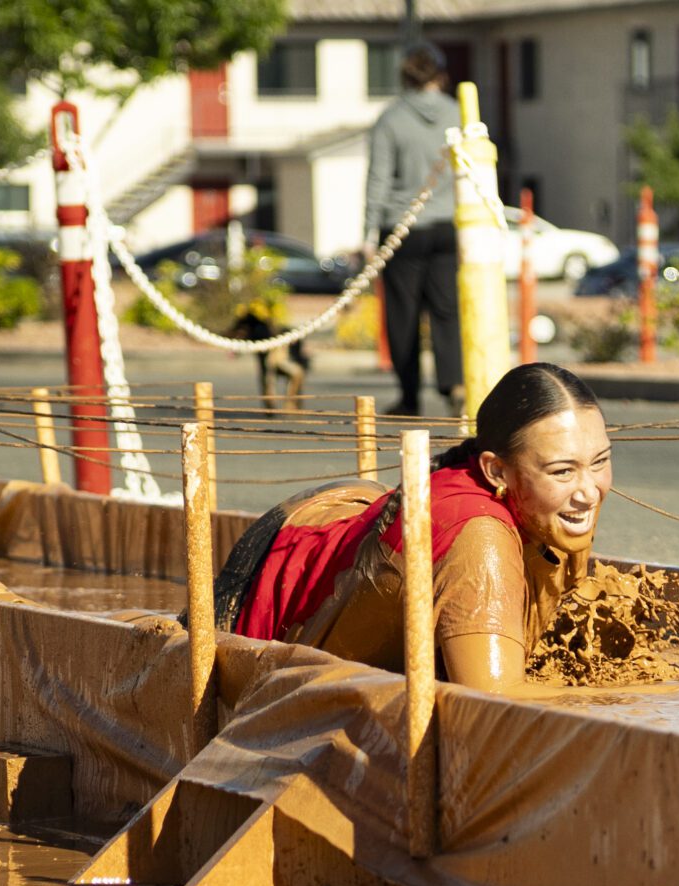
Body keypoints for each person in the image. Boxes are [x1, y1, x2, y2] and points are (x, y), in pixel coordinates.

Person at [216, 363, 611, 694]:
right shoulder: (480, 540)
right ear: (495, 470)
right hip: (261, 630)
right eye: (563, 471)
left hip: (328, 527)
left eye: (599, 462)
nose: (590, 492)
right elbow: (498, 711)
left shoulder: (554, 507)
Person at [365, 44, 461, 418]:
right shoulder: (458, 115)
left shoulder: (390, 119)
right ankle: (453, 384)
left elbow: (378, 179)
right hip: (448, 226)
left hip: (403, 228)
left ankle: (409, 396)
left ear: (405, 77)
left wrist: (370, 229)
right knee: (447, 311)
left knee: (403, 315)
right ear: (440, 75)